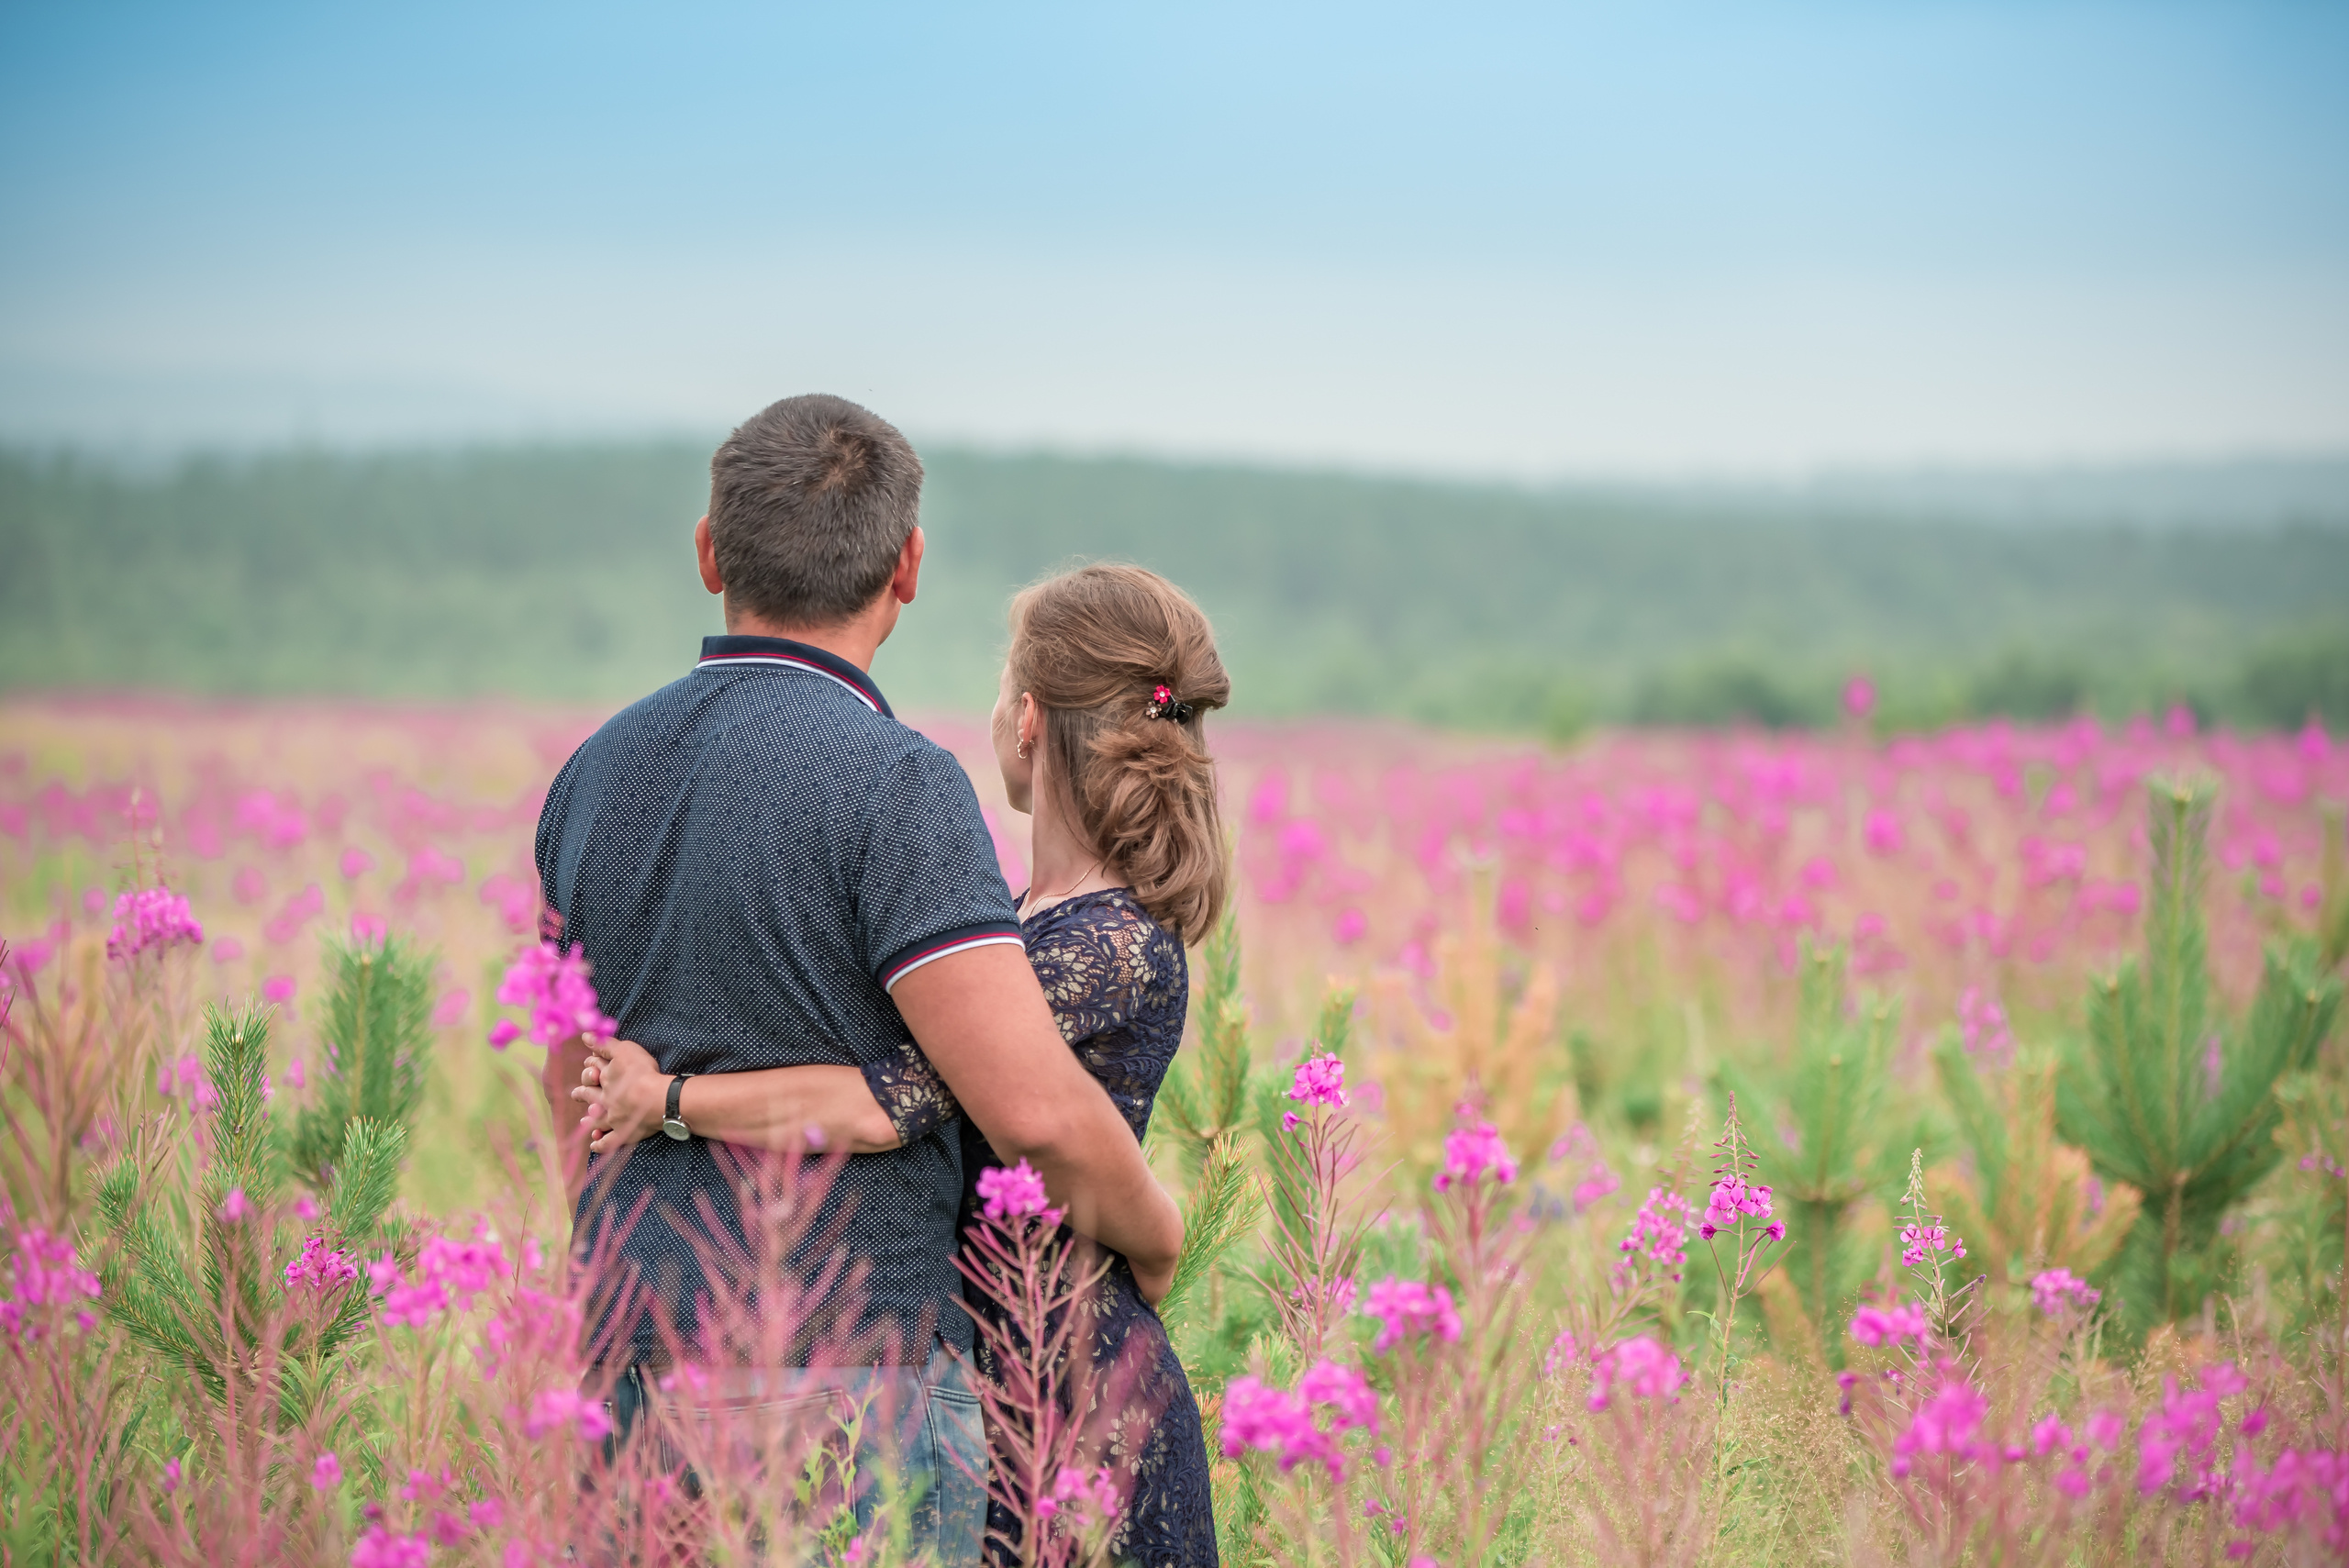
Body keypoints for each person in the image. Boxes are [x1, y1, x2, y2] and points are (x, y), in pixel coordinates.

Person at [534, 395, 1183, 1565]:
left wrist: (622, 1269)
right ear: (908, 568)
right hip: (847, 1378)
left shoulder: (591, 774)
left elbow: (564, 1074)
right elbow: (1033, 1109)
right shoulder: (898, 786)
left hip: (626, 1362)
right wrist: (1156, 1241)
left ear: (709, 552)